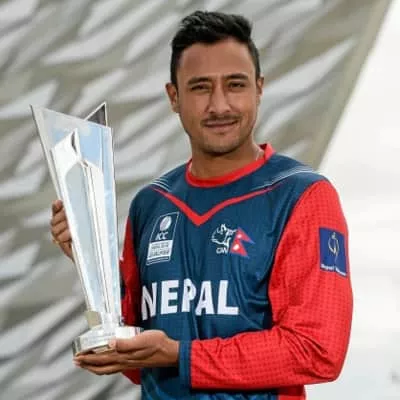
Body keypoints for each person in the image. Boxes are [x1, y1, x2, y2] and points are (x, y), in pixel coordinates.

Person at [50, 10, 353, 399]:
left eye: (235, 84)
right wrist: (88, 258)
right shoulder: (151, 204)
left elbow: (317, 351)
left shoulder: (301, 196)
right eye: (200, 88)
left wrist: (181, 355)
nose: (219, 105)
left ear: (259, 89)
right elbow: (141, 365)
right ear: (173, 97)